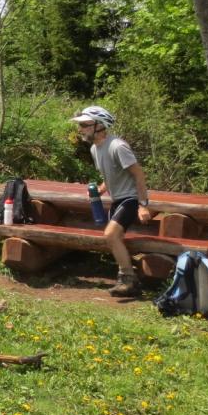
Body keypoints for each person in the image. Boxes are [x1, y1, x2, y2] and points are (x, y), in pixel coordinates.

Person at [71, 105, 154, 298]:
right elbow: (111, 175)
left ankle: (128, 280)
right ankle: (127, 278)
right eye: (80, 125)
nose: (80, 129)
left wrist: (143, 205)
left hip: (130, 199)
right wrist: (101, 190)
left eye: (84, 124)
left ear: (99, 125)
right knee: (112, 238)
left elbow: (139, 174)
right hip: (117, 199)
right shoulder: (94, 149)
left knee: (111, 235)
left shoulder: (118, 146)